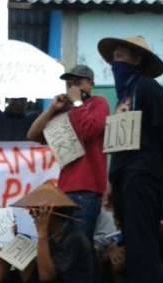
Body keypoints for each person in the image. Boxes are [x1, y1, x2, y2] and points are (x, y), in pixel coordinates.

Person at [97, 35, 163, 283]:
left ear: (137, 60)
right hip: (124, 176)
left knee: (142, 242)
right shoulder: (124, 96)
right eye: (113, 55)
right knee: (131, 240)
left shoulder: (147, 88)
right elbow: (118, 148)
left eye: (122, 54)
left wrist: (148, 156)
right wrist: (111, 184)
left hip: (144, 175)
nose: (116, 59)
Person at [26, 65, 109, 239]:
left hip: (88, 189)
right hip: (65, 190)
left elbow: (88, 130)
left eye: (77, 82)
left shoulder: (99, 103)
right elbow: (33, 134)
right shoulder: (65, 112)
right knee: (64, 245)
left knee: (80, 245)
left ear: (91, 84)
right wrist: (52, 109)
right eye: (69, 84)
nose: (72, 88)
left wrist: (78, 102)